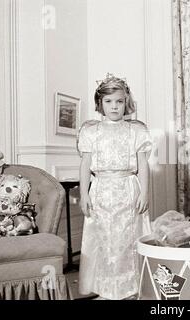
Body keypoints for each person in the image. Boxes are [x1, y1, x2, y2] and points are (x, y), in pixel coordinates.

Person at [77, 73, 152, 300]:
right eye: (108, 102)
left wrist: (145, 193)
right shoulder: (90, 131)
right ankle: (106, 289)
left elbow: (143, 165)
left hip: (128, 189)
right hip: (100, 190)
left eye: (119, 101)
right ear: (100, 103)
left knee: (127, 241)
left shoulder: (136, 130)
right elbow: (85, 165)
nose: (114, 107)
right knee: (103, 240)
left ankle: (129, 288)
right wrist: (83, 195)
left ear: (126, 102)